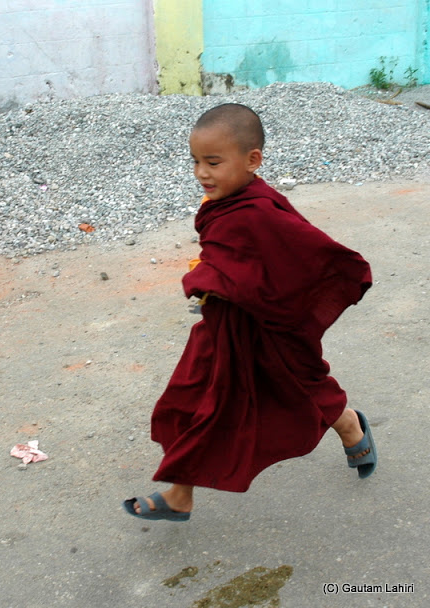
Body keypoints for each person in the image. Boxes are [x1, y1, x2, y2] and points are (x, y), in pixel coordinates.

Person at [123, 103, 377, 522]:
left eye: (214, 162)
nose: (202, 173)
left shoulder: (258, 209)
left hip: (267, 328)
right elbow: (234, 259)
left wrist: (208, 277)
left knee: (300, 386)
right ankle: (180, 495)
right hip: (224, 327)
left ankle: (350, 426)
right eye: (196, 162)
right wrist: (213, 273)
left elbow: (301, 255)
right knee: (195, 397)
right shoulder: (231, 203)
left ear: (252, 160)